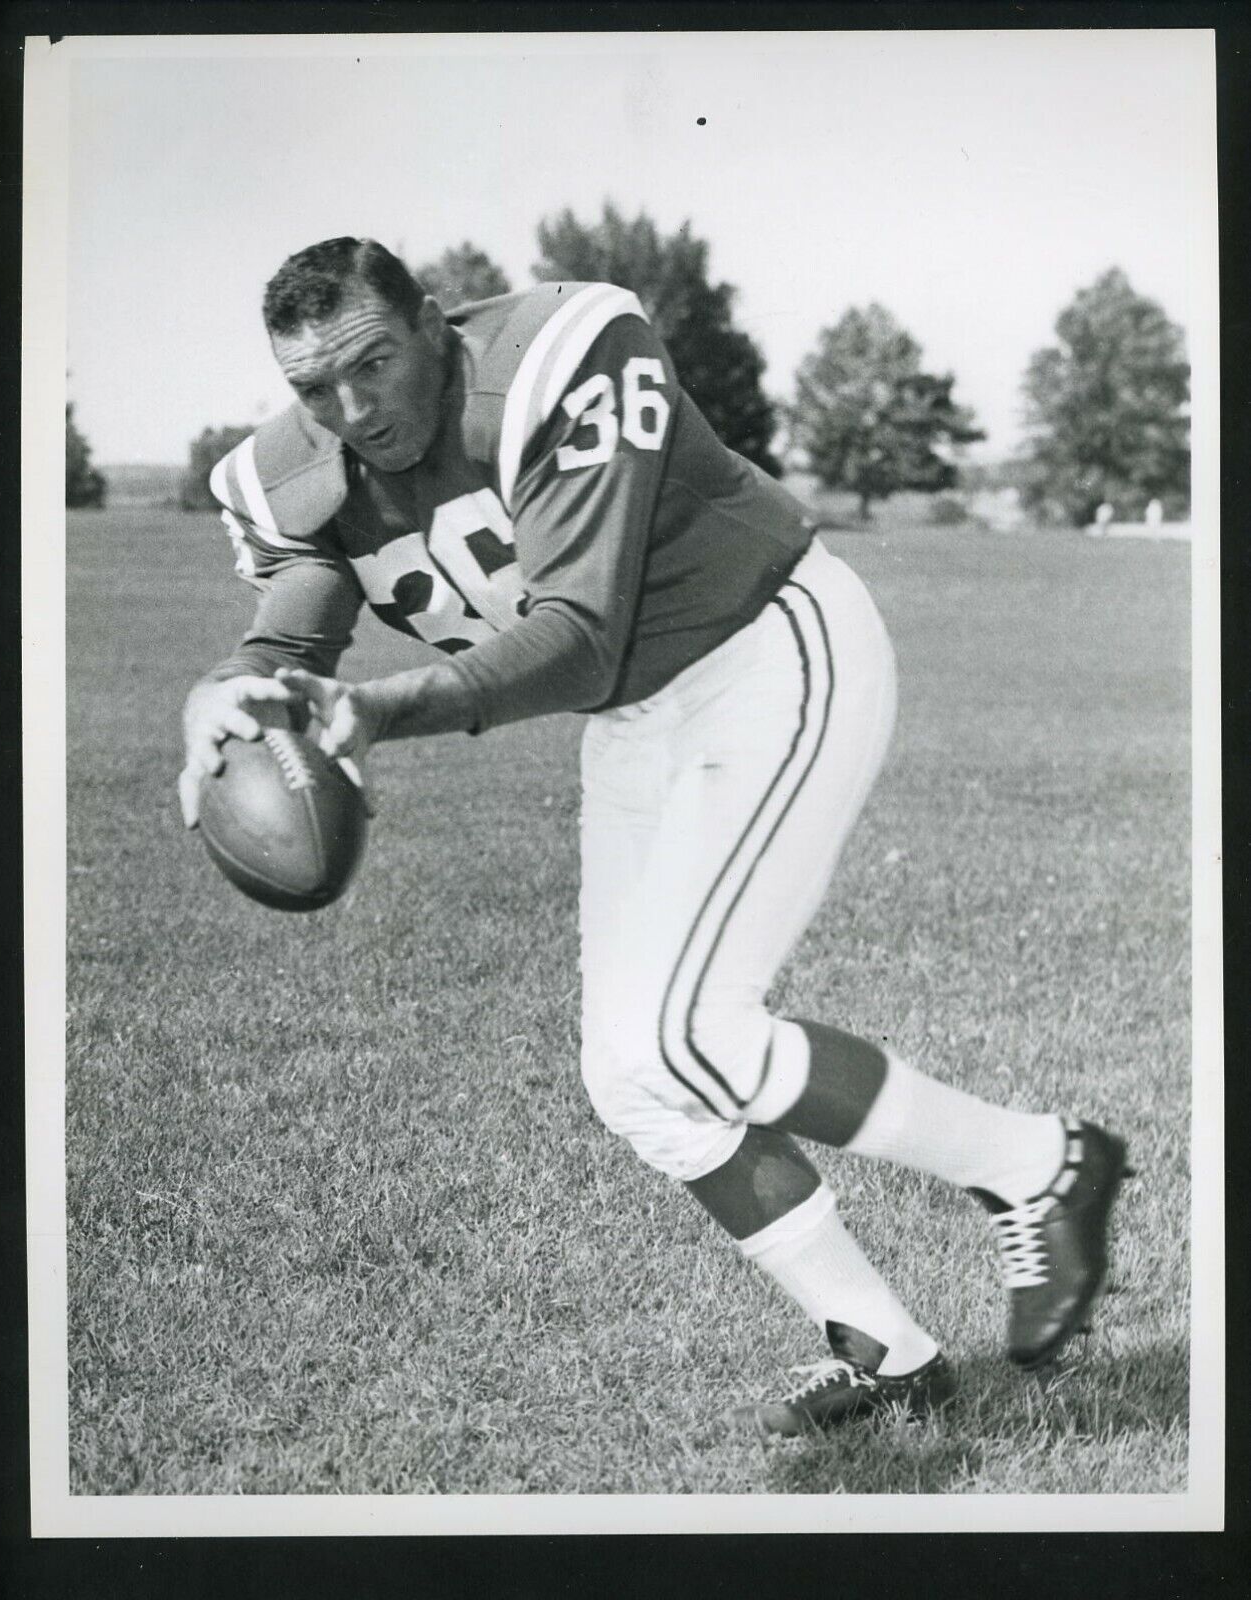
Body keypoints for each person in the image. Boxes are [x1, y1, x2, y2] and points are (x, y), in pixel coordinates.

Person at [179, 237, 1130, 1435]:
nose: (352, 409)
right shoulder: (288, 471)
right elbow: (292, 630)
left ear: (432, 323)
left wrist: (376, 710)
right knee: (639, 1076)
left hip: (770, 646)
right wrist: (231, 689)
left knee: (694, 1031)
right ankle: (888, 1347)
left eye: (373, 363)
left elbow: (576, 632)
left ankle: (1040, 1164)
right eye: (314, 387)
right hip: (634, 716)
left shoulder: (564, 354)